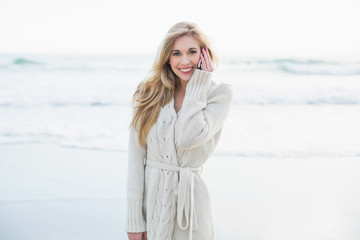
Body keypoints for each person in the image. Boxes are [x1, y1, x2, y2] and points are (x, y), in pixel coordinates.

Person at [126, 21, 233, 240]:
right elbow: (136, 159)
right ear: (167, 57)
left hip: (192, 210)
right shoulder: (148, 93)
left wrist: (199, 85)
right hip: (153, 207)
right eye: (176, 53)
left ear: (204, 54)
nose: (185, 61)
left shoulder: (219, 95)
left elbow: (188, 138)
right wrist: (134, 221)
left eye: (192, 52)